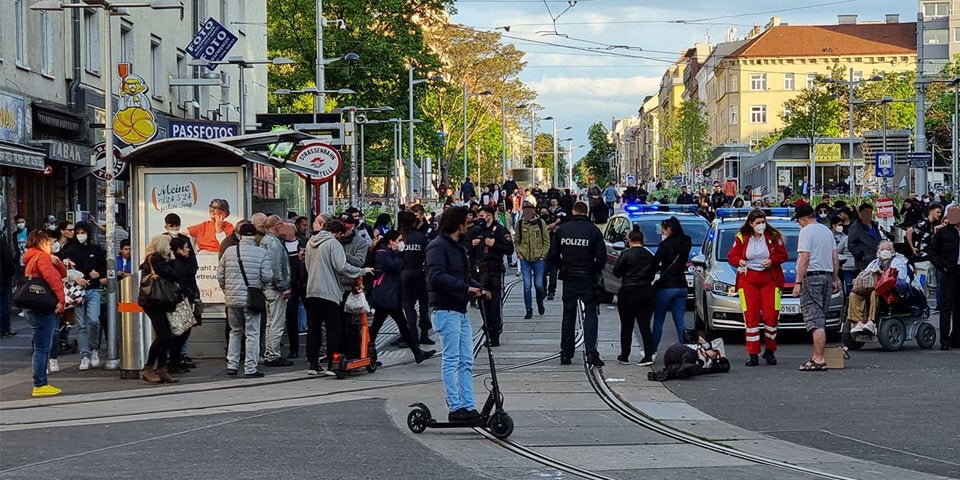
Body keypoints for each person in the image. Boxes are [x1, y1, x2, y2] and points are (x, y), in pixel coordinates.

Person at [425, 206, 487, 422]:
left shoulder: (458, 247)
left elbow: (464, 275)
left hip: (460, 309)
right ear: (458, 224)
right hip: (445, 309)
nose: (468, 226)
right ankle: (455, 406)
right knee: (452, 359)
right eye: (466, 222)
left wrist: (479, 288)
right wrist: (466, 288)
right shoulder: (437, 246)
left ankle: (468, 406)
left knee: (466, 360)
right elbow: (436, 276)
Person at [303, 219, 371, 376]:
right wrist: (361, 271)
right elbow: (342, 266)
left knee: (313, 328)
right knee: (334, 328)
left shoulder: (310, 242)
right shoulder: (333, 244)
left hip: (312, 290)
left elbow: (307, 266)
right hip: (329, 291)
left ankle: (312, 364)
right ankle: (332, 364)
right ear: (339, 233)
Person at [726, 210, 788, 366]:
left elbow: (783, 255)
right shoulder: (742, 237)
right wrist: (739, 260)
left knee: (771, 316)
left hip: (770, 279)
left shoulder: (773, 237)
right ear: (750, 224)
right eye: (758, 223)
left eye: (763, 222)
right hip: (748, 280)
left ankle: (770, 350)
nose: (761, 225)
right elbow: (732, 256)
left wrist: (772, 261)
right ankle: (752, 353)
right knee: (751, 317)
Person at [548, 201, 606, 366]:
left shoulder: (562, 230)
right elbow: (601, 257)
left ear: (573, 211)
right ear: (586, 212)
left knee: (568, 315)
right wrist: (593, 269)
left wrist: (563, 267)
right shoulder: (593, 231)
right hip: (588, 277)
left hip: (569, 277)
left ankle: (566, 353)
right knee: (591, 315)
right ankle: (591, 353)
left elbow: (552, 256)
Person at [368, 230, 436, 363]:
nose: (401, 243)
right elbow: (395, 266)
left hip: (389, 296)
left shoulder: (387, 252)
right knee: (397, 326)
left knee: (382, 326)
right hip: (387, 297)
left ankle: (417, 353)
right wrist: (399, 253)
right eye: (398, 241)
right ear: (391, 242)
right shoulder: (382, 254)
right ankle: (417, 353)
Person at [218, 223, 273, 377]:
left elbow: (220, 275)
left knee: (235, 331)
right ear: (254, 235)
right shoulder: (261, 253)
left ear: (240, 235)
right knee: (252, 333)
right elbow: (267, 276)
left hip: (232, 299)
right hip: (252, 299)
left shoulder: (229, 251)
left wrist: (227, 289)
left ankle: (232, 364)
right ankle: (250, 368)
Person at [793, 204, 841, 371]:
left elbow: (805, 258)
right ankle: (818, 356)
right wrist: (835, 278)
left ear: (803, 218)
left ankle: (818, 358)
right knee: (821, 316)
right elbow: (835, 257)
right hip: (827, 276)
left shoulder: (806, 232)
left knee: (815, 320)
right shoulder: (826, 231)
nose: (799, 224)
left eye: (799, 221)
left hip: (812, 277)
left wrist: (798, 282)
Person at [20, 230, 67, 396]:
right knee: (42, 348)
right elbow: (55, 279)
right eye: (48, 242)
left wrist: (57, 262)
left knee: (40, 346)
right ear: (42, 243)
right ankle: (40, 384)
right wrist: (62, 300)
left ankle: (40, 382)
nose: (51, 245)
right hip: (42, 308)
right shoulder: (43, 257)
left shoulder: (31, 257)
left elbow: (60, 272)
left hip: (31, 307)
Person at [59, 221, 107, 370]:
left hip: (93, 290)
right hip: (77, 291)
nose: (80, 235)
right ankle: (84, 355)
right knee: (81, 325)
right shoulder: (69, 250)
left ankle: (94, 349)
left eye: (83, 232)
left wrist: (98, 274)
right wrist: (76, 278)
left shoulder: (97, 249)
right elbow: (63, 271)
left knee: (94, 321)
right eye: (78, 232)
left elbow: (104, 269)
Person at [466, 206, 514, 346]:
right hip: (479, 271)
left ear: (490, 215)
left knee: (493, 303)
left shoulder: (499, 230)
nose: (479, 218)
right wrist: (471, 244)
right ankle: (487, 329)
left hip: (494, 271)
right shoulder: (477, 230)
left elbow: (509, 249)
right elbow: (466, 248)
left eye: (482, 215)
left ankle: (494, 333)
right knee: (482, 303)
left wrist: (495, 244)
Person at [138, 234, 182, 384]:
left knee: (166, 335)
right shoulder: (156, 259)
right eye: (169, 246)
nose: (170, 248)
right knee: (163, 335)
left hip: (157, 301)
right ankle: (149, 367)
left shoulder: (154, 259)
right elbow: (174, 275)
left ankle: (161, 368)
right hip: (153, 302)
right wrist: (175, 260)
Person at [612, 226, 656, 366]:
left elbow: (617, 272)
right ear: (642, 240)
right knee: (645, 325)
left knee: (626, 325)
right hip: (645, 291)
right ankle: (648, 355)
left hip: (628, 291)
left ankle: (625, 355)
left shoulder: (626, 254)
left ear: (629, 240)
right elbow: (652, 273)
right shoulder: (649, 255)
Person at [847, 241, 912, 335]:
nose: (885, 251)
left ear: (893, 251)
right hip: (871, 287)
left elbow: (900, 278)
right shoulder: (874, 262)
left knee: (876, 292)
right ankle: (859, 323)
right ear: (879, 252)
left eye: (888, 249)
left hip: (890, 291)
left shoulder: (898, 261)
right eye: (882, 249)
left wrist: (883, 275)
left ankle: (871, 322)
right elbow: (865, 274)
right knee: (854, 294)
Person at [652, 217, 692, 359]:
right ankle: (686, 350)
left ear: (669, 229)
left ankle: (652, 351)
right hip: (682, 285)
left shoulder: (665, 245)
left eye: (663, 230)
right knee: (680, 320)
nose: (662, 233)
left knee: (659, 319)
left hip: (666, 286)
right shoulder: (686, 241)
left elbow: (655, 263)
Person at [259, 215, 293, 367]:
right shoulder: (273, 243)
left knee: (270, 323)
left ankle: (269, 352)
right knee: (276, 323)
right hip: (275, 289)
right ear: (278, 226)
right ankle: (273, 354)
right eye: (283, 225)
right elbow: (276, 269)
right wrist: (284, 287)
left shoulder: (265, 241)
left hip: (267, 288)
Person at [397, 211, 434, 345]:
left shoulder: (400, 238)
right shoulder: (421, 237)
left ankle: (412, 336)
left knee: (408, 306)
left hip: (405, 274)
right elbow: (427, 255)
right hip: (420, 273)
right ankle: (424, 333)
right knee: (423, 305)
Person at [927, 205, 960, 350]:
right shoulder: (943, 233)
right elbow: (932, 252)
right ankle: (944, 340)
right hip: (949, 271)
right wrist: (942, 266)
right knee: (947, 307)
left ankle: (957, 338)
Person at [167, 236, 199, 376]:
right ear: (179, 250)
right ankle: (174, 362)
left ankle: (175, 361)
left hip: (184, 300)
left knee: (181, 332)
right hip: (181, 302)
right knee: (181, 332)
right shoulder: (180, 265)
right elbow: (184, 283)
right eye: (186, 248)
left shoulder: (181, 263)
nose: (188, 250)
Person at [514, 200, 551, 320]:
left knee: (539, 285)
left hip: (539, 259)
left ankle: (540, 302)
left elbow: (546, 241)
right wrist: (519, 253)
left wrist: (543, 255)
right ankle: (528, 308)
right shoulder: (520, 224)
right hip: (525, 259)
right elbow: (517, 241)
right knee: (527, 285)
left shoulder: (540, 223)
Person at [906, 203, 942, 298]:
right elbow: (909, 231)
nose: (939, 214)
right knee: (921, 282)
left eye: (940, 213)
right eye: (937, 212)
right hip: (921, 258)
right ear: (931, 211)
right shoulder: (924, 222)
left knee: (927, 284)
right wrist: (912, 247)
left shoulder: (931, 224)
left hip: (928, 257)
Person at [847, 203, 882, 272]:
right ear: (860, 214)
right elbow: (851, 245)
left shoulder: (874, 225)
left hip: (878, 261)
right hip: (864, 264)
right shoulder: (855, 227)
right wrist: (862, 256)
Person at [833, 216, 856, 294]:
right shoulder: (846, 238)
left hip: (853, 267)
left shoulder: (845, 238)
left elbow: (838, 251)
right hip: (849, 267)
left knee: (850, 286)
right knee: (850, 286)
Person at [0, 228, 15, 338]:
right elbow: (8, 260)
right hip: (2, 278)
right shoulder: (1, 241)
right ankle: (4, 329)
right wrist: (10, 274)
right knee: (4, 304)